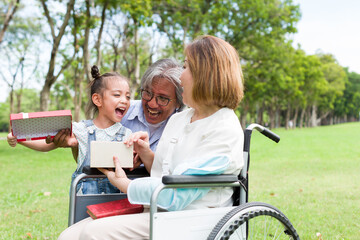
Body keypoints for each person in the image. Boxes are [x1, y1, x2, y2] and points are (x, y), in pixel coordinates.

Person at [58, 35, 245, 240]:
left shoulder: (224, 128)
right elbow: (164, 172)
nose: (181, 77)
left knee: (93, 233)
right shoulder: (180, 120)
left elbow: (178, 194)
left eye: (186, 68)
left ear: (205, 75)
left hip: (191, 219)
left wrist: (125, 184)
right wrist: (145, 152)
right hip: (157, 210)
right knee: (69, 235)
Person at [7, 66, 133, 195]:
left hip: (116, 202)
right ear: (97, 100)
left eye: (128, 97)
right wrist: (20, 137)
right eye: (117, 95)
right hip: (84, 200)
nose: (124, 100)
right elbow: (47, 143)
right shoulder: (82, 129)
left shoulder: (127, 135)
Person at [50, 59, 184, 168]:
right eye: (148, 93)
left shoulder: (184, 127)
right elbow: (89, 152)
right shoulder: (120, 111)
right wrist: (76, 146)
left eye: (162, 98)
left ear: (179, 102)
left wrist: (145, 157)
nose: (152, 104)